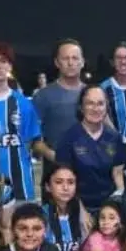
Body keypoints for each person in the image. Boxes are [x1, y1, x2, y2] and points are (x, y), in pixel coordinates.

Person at [0, 39, 53, 202]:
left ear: (10, 67)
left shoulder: (23, 103)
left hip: (21, 185)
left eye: (3, 61)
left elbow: (34, 141)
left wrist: (55, 155)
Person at [55, 85, 126, 214]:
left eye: (100, 104)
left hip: (108, 205)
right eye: (90, 103)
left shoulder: (114, 137)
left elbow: (118, 173)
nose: (95, 109)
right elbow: (64, 181)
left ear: (106, 107)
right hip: (78, 206)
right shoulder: (69, 138)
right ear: (81, 107)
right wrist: (80, 212)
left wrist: (118, 205)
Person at [33, 39, 87, 171]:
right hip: (55, 171)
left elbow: (107, 131)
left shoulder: (93, 94)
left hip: (89, 170)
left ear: (82, 62)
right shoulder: (43, 96)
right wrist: (54, 156)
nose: (70, 63)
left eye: (75, 58)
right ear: (57, 62)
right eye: (65, 58)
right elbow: (33, 139)